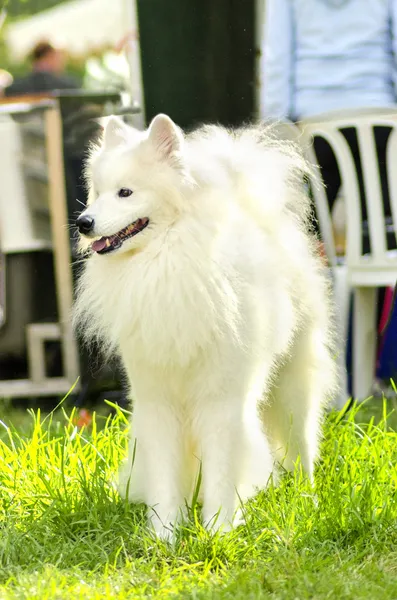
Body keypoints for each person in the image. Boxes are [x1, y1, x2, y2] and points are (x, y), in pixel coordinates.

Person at [4, 41, 79, 97]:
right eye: (58, 58)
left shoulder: (16, 86)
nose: (61, 63)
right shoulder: (67, 84)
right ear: (49, 56)